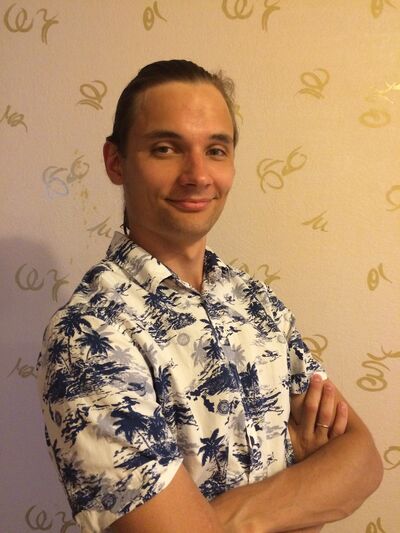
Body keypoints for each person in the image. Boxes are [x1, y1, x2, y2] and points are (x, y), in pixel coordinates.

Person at [37, 59, 383, 533]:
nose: (198, 175)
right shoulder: (87, 334)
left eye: (216, 150)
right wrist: (305, 489)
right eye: (166, 148)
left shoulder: (258, 303)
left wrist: (216, 520)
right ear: (116, 162)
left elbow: (362, 461)